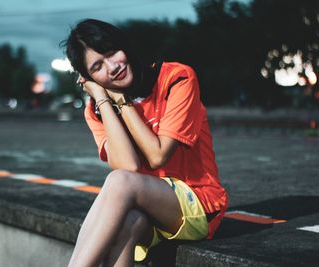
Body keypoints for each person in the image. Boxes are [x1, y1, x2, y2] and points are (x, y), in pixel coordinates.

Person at [63, 19, 228, 267]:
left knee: (118, 182)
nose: (112, 67)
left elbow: (157, 156)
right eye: (97, 67)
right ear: (88, 79)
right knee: (126, 225)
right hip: (151, 211)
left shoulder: (176, 78)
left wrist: (121, 101)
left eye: (111, 53)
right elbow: (128, 164)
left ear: (124, 46)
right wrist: (102, 100)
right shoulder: (96, 110)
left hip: (198, 203)